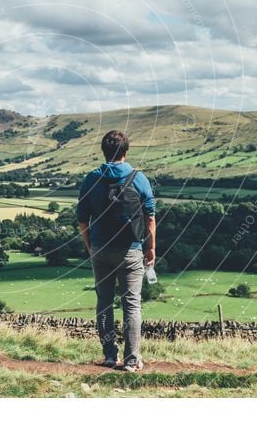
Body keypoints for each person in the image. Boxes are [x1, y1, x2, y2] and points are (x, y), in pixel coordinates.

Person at [76, 130, 156, 371]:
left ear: (104, 150)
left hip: (100, 248)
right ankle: (132, 360)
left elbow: (82, 220)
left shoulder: (91, 179)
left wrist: (91, 246)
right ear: (126, 151)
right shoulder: (138, 178)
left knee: (104, 303)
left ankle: (110, 356)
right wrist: (150, 247)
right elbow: (150, 217)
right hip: (131, 249)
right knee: (132, 305)